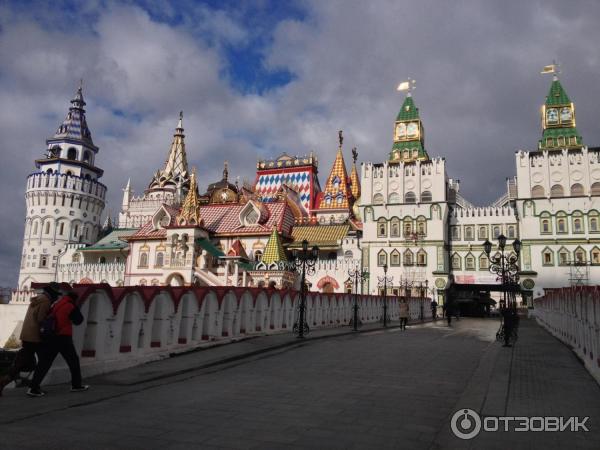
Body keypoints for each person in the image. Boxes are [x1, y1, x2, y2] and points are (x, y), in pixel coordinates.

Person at [0, 282, 61, 396]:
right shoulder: (46, 301)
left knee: (22, 362)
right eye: (56, 294)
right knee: (44, 361)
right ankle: (34, 387)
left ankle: (4, 381)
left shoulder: (37, 299)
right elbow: (40, 319)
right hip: (35, 336)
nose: (56, 297)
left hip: (27, 334)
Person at [27, 291, 88, 397]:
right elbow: (79, 320)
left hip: (51, 336)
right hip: (64, 337)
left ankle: (33, 387)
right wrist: (75, 307)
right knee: (73, 361)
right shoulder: (70, 305)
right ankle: (76, 385)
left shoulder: (57, 304)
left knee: (45, 362)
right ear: (74, 299)